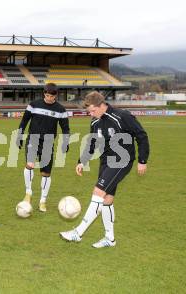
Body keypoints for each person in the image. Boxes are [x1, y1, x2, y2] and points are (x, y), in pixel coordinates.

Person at [60, 91, 149, 248]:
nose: (92, 114)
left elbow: (141, 136)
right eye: (89, 112)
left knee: (98, 193)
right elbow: (92, 143)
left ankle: (78, 233)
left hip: (122, 161)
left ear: (102, 105)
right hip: (105, 162)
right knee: (107, 200)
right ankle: (110, 238)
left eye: (93, 111)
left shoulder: (122, 116)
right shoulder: (95, 122)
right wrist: (82, 161)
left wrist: (142, 160)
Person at [17, 83, 70, 212]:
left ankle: (42, 201)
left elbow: (65, 128)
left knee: (45, 173)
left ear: (55, 96)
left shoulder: (61, 110)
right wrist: (19, 135)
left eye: (51, 96)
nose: (48, 98)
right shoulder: (34, 104)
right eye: (46, 95)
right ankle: (28, 193)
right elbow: (24, 121)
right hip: (33, 139)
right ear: (44, 94)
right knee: (30, 164)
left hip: (48, 142)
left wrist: (65, 142)